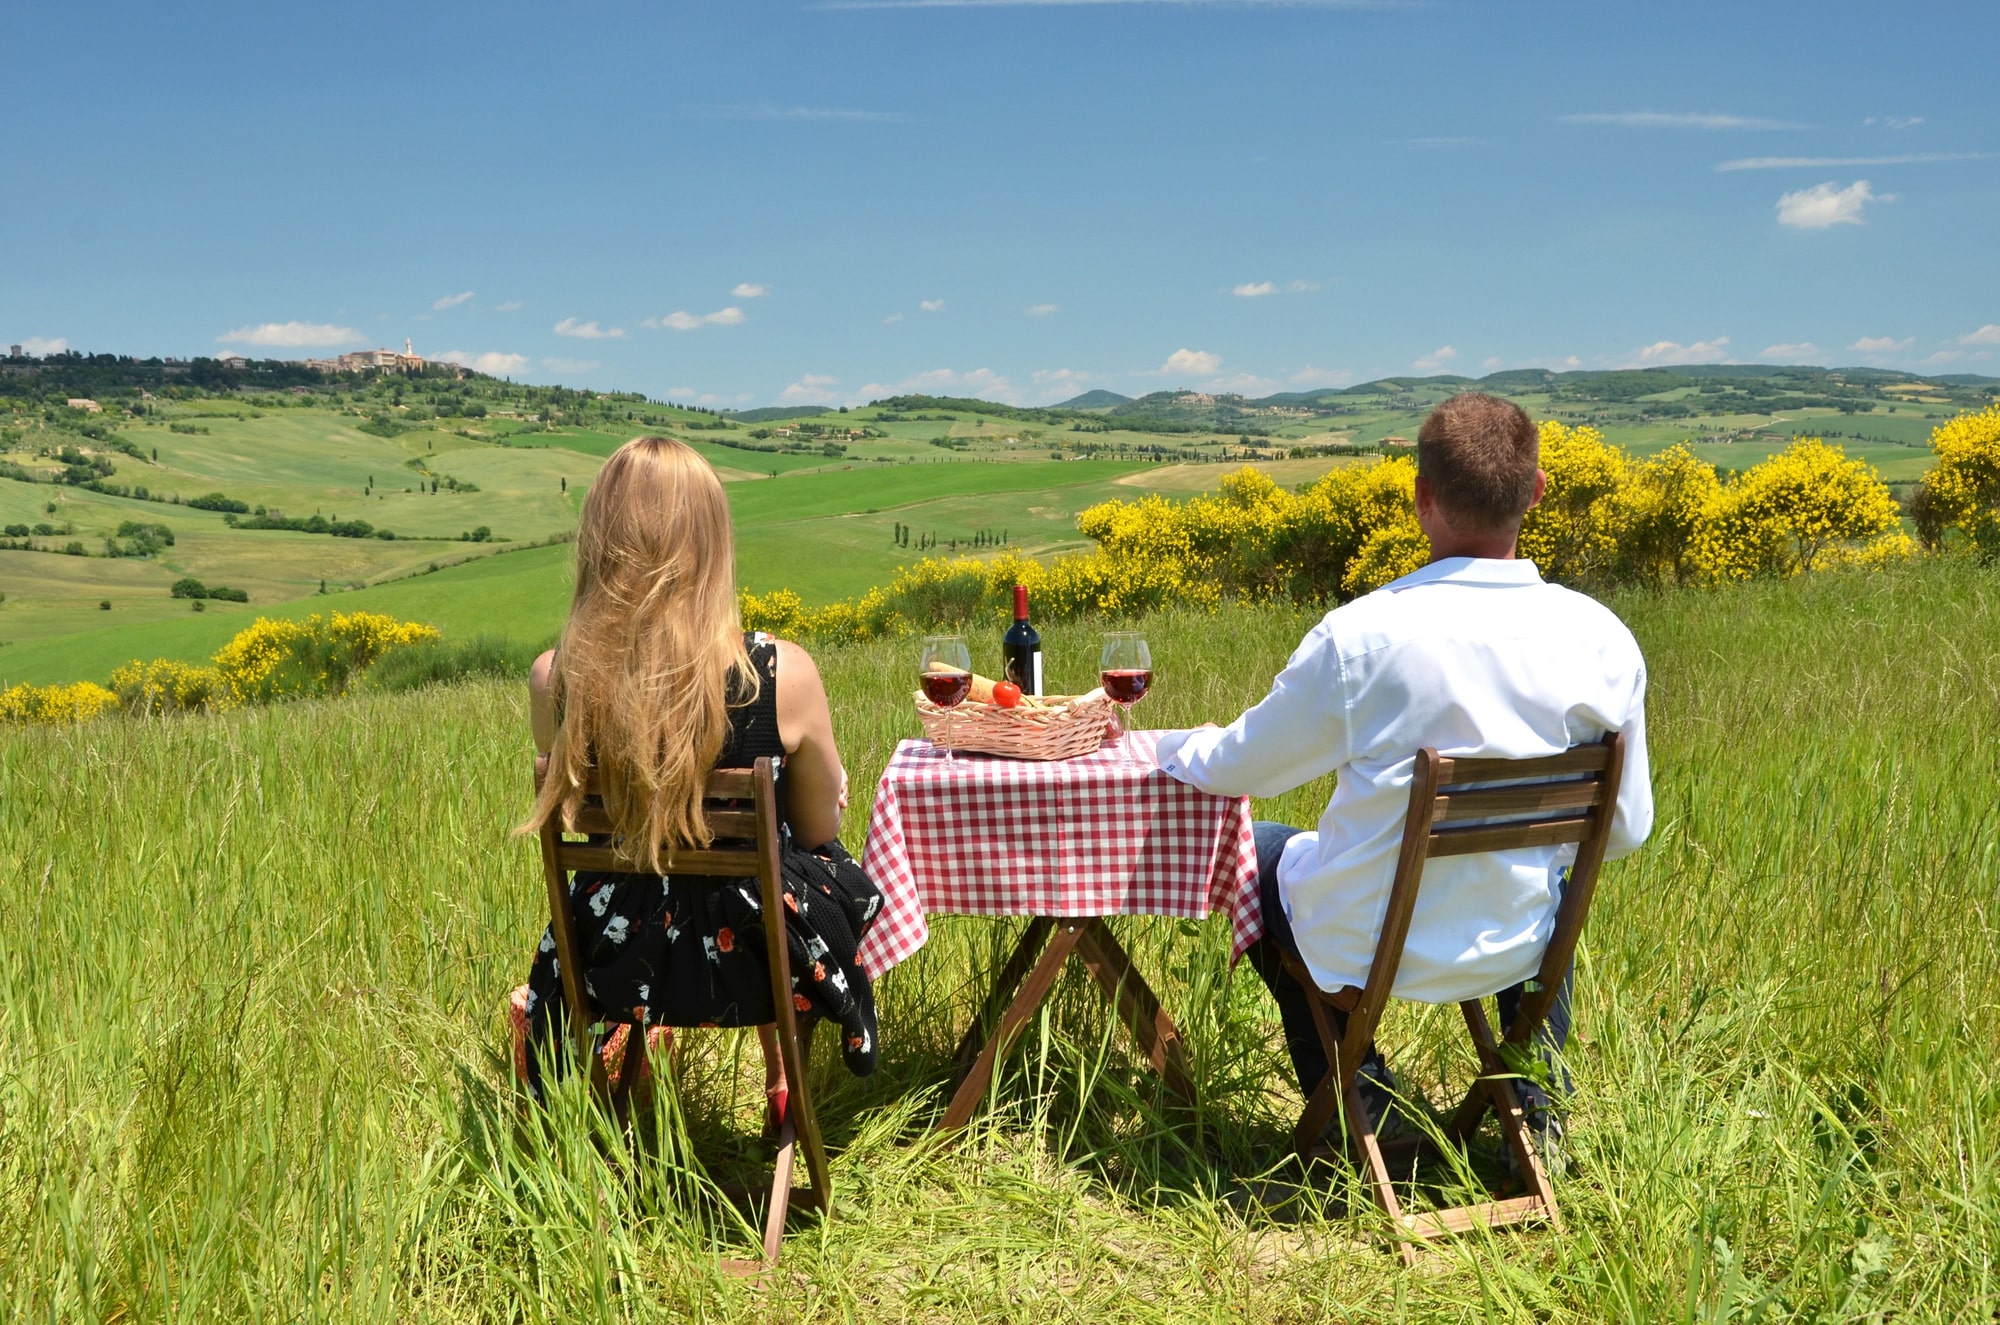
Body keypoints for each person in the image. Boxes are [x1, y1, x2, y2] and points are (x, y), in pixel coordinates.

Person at [1153, 392, 1653, 1157]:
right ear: (1537, 491)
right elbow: (1624, 829)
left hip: (1363, 945)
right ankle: (1536, 1113)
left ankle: (1361, 1099)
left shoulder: (1361, 638)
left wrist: (1169, 747)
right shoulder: (1603, 640)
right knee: (1546, 884)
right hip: (1518, 942)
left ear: (1422, 500)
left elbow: (1243, 764)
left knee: (1251, 851)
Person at [511, 435, 876, 1107]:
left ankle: (626, 1049)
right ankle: (784, 1069)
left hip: (613, 961)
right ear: (711, 541)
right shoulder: (779, 672)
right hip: (754, 964)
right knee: (807, 862)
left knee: (714, 865)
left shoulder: (555, 676)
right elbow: (822, 825)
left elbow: (582, 812)